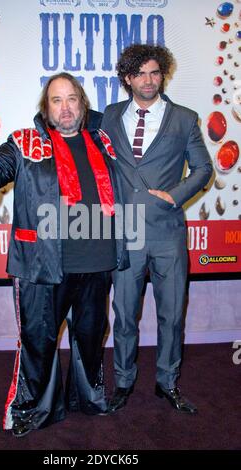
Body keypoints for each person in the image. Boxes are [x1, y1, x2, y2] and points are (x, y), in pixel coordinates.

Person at [0, 72, 128, 437]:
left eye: (72, 98)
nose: (65, 107)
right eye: (57, 100)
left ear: (82, 104)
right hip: (42, 265)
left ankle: (88, 398)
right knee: (39, 341)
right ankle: (33, 409)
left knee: (90, 336)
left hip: (98, 262)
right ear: (46, 107)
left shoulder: (102, 140)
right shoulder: (24, 142)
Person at [101, 44, 213, 415]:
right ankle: (124, 382)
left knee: (171, 315)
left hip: (167, 232)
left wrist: (174, 195)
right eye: (140, 74)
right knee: (124, 314)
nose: (148, 81)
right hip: (125, 232)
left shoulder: (184, 119)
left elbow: (202, 169)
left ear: (162, 74)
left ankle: (168, 382)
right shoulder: (109, 118)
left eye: (155, 72)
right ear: (127, 79)